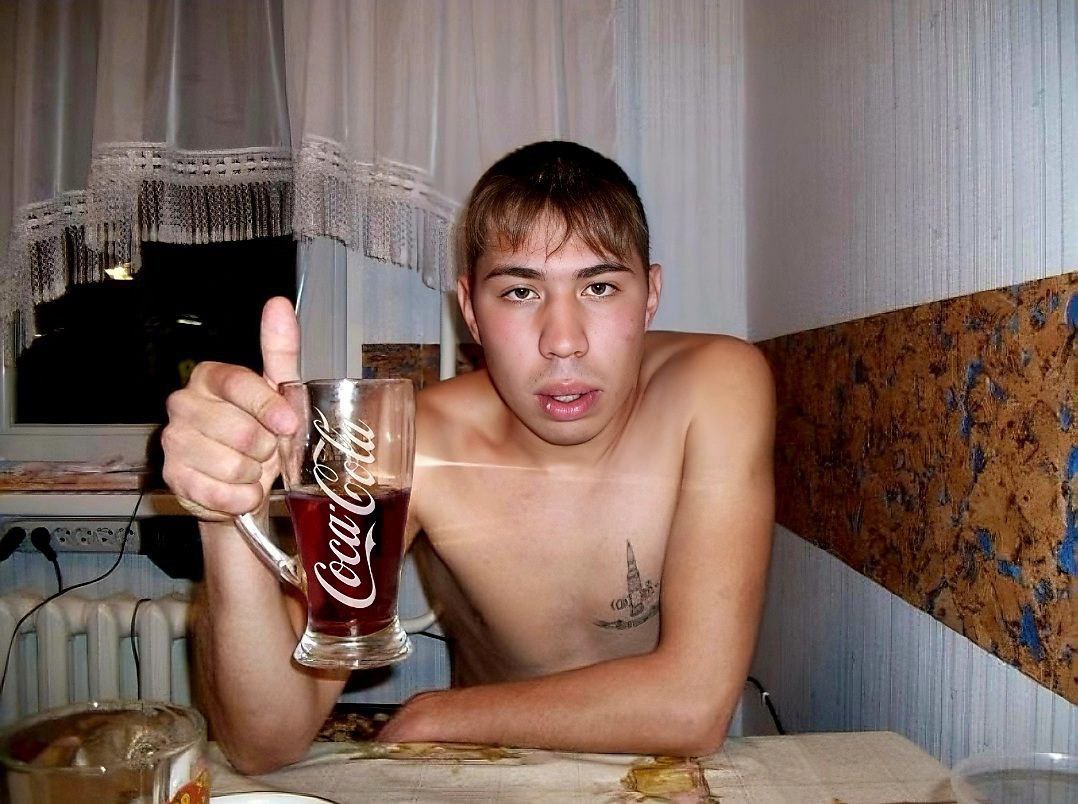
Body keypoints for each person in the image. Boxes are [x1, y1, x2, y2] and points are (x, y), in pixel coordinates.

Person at [161, 140, 775, 774]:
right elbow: (264, 741)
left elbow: (693, 708)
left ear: (650, 295)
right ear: (470, 311)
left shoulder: (716, 387)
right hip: (492, 772)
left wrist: (439, 714)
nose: (563, 342)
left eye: (599, 287)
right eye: (519, 292)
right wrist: (225, 512)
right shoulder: (410, 446)